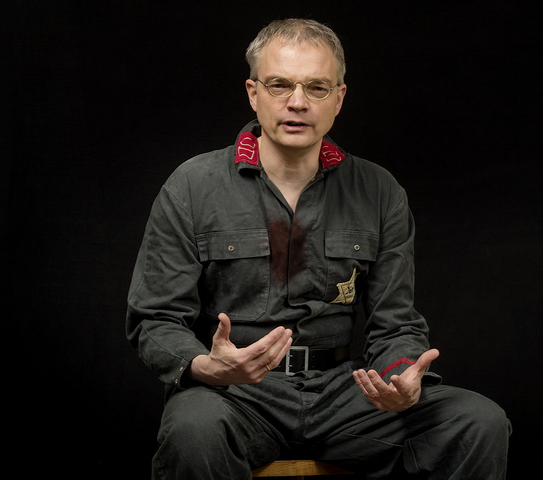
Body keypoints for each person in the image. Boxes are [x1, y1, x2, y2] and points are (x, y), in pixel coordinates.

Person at [126, 18, 511, 479]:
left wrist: (403, 376)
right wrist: (206, 366)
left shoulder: (380, 190)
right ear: (253, 93)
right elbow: (156, 319)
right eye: (279, 85)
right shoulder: (192, 186)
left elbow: (394, 323)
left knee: (478, 422)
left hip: (344, 394)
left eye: (317, 88)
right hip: (234, 396)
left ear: (339, 99)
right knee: (192, 428)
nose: (297, 102)